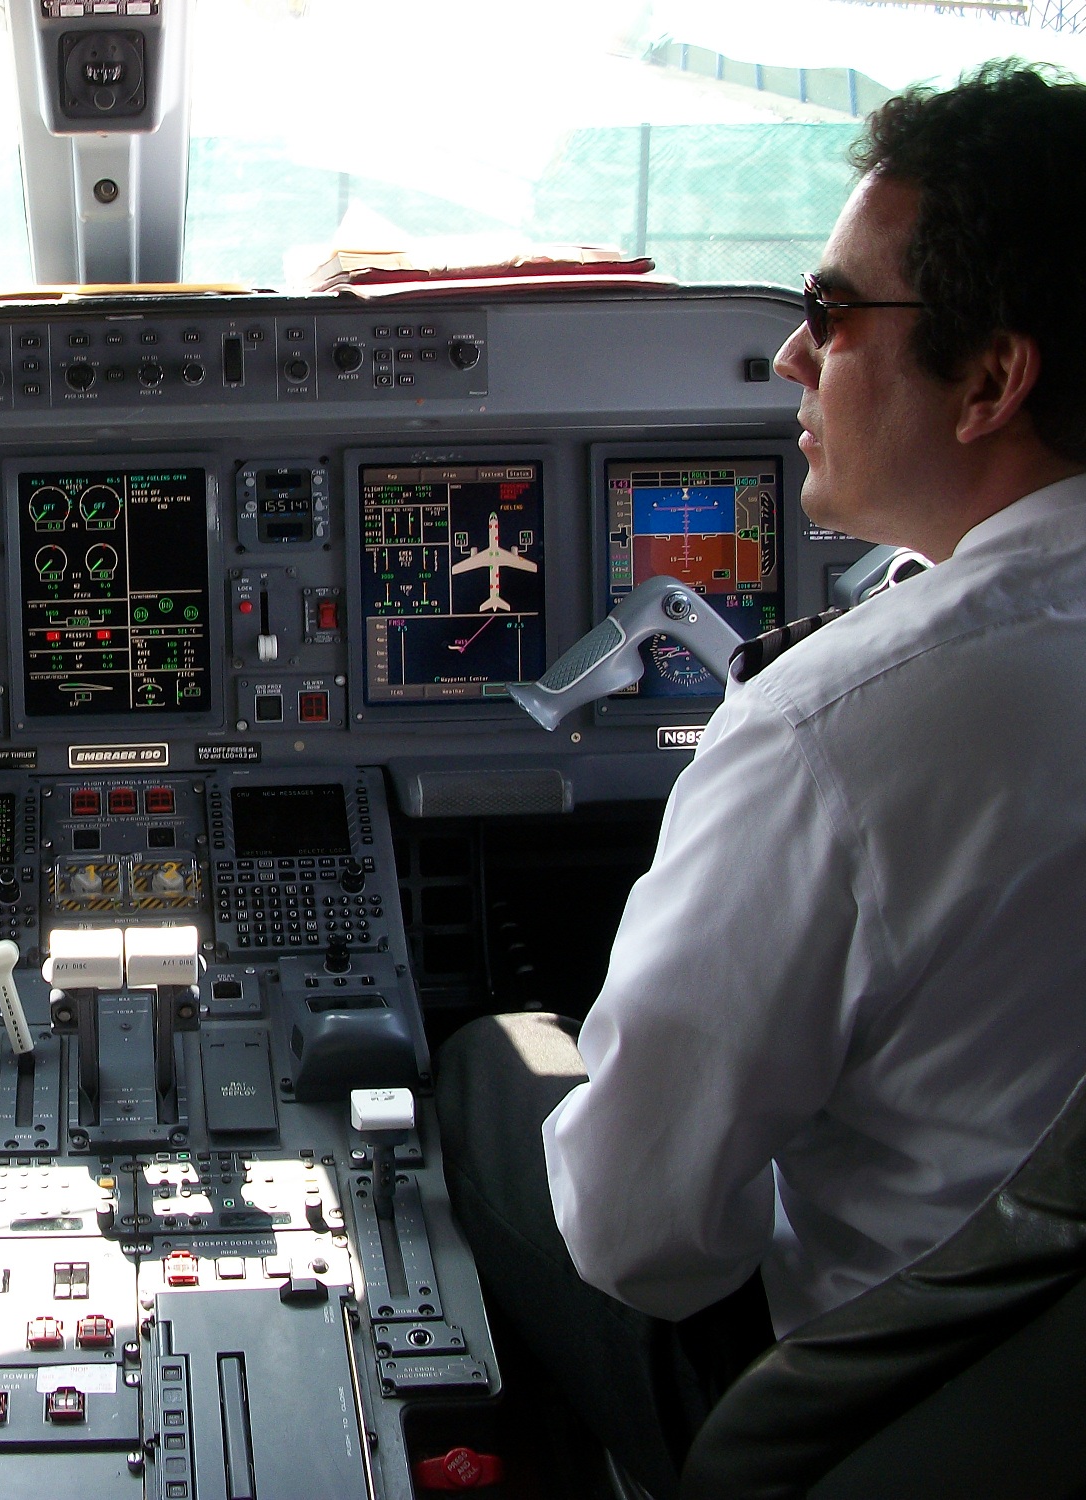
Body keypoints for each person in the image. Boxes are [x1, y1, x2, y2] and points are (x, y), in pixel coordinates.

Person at [435, 62, 1086, 1498]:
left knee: (491, 1068)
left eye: (832, 313)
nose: (792, 356)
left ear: (991, 380)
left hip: (873, 1415)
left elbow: (639, 1240)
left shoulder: (833, 728)